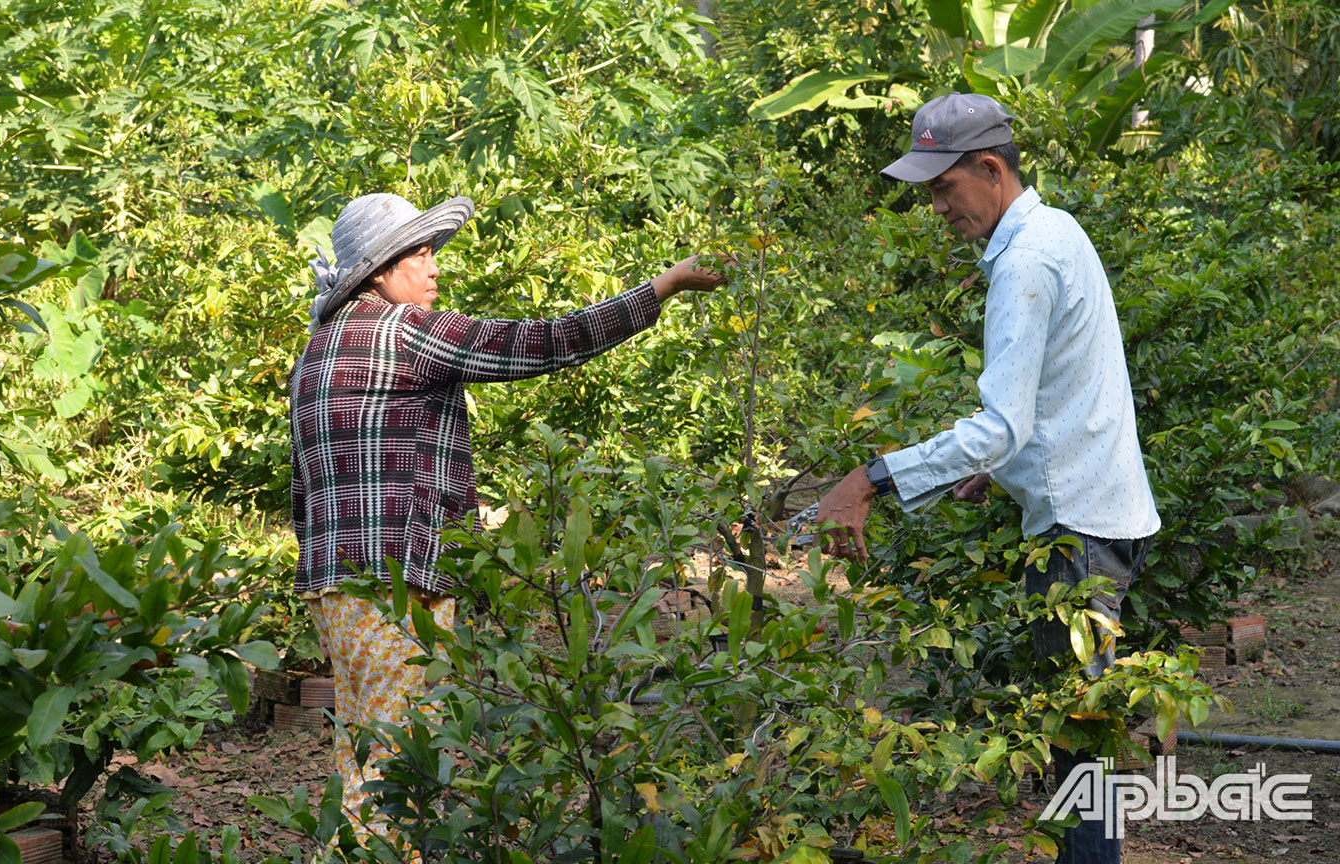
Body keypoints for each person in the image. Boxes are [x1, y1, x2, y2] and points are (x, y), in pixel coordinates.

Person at [288, 191, 722, 849]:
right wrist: (662, 287)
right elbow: (546, 341)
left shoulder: (314, 354)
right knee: (397, 768)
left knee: (363, 757)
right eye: (421, 254)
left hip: (334, 588)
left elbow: (303, 490)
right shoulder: (405, 331)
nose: (434, 270)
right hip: (399, 584)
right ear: (380, 272)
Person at [816, 93, 1161, 864]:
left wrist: (869, 478)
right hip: (1102, 517)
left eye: (945, 188)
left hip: (1080, 539)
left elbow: (1001, 423)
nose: (938, 207)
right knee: (1081, 748)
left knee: (1078, 761)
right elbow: (1059, 394)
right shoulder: (1051, 229)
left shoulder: (1027, 261)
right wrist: (1001, 469)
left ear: (991, 168)